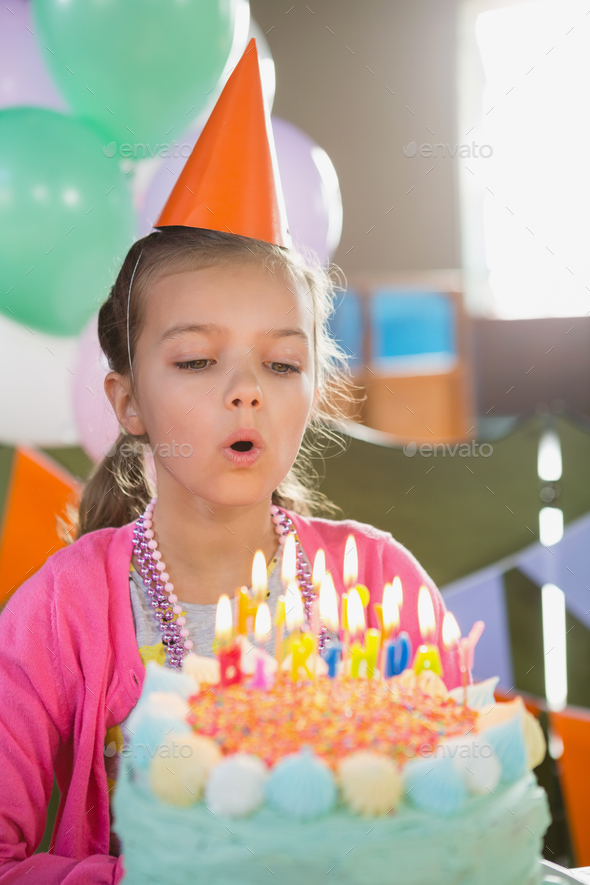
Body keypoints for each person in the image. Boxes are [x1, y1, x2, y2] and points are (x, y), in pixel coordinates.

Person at [0, 39, 464, 885]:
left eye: (281, 363)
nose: (246, 391)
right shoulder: (63, 610)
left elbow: (460, 816)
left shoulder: (382, 584)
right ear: (128, 401)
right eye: (196, 360)